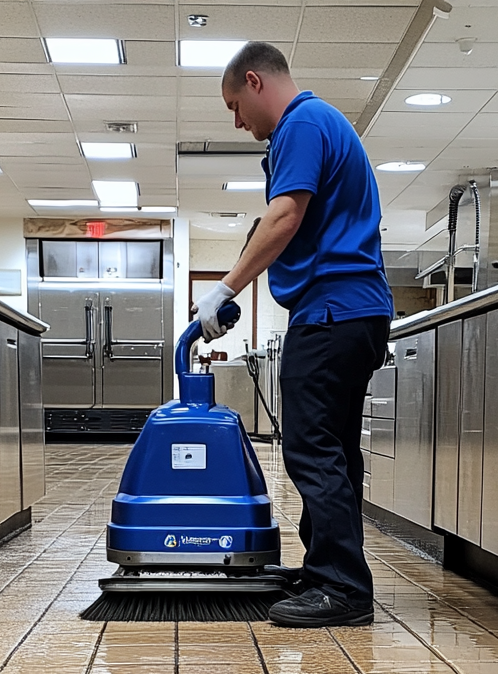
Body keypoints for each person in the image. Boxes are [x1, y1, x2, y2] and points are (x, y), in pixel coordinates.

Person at [193, 40, 393, 627]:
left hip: (332, 312)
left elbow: (285, 217)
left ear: (255, 81)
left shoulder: (302, 123)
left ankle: (342, 588)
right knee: (335, 450)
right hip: (352, 310)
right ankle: (330, 570)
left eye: (234, 104)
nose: (236, 120)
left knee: (312, 447)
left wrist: (224, 288)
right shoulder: (322, 123)